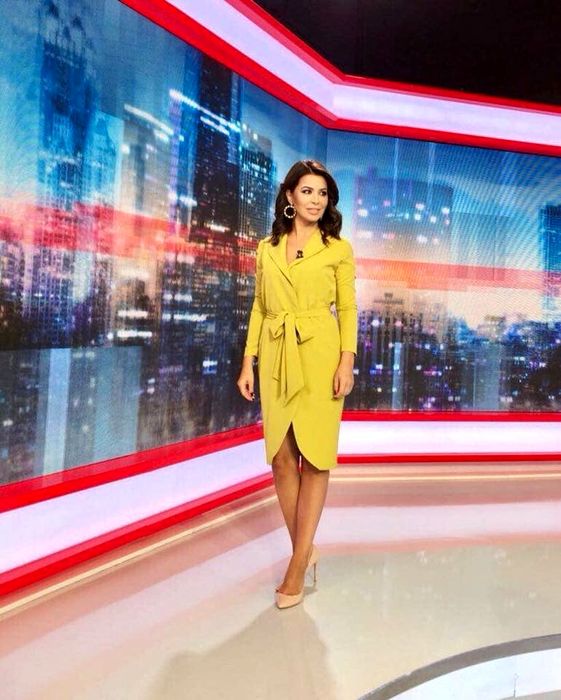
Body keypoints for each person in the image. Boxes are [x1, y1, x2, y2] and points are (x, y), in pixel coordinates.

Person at [237, 159, 358, 609]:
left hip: (320, 354)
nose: (315, 200)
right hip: (274, 353)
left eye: (322, 193)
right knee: (282, 458)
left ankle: (296, 565)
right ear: (289, 196)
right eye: (307, 191)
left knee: (316, 456)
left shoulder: (337, 249)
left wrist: (347, 361)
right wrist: (248, 360)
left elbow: (348, 308)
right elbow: (259, 306)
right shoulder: (266, 248)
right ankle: (305, 551)